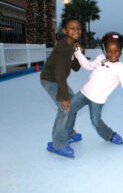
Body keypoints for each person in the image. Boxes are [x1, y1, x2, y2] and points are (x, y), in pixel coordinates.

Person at [69, 32, 123, 156]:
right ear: (104, 50)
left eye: (116, 50)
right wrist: (77, 52)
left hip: (97, 100)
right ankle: (68, 134)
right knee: (68, 110)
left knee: (96, 121)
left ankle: (110, 135)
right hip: (83, 93)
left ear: (121, 51)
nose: (113, 54)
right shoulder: (100, 58)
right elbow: (87, 66)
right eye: (109, 50)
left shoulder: (121, 68)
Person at [40, 18, 82, 158]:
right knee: (64, 108)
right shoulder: (62, 47)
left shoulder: (72, 46)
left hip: (60, 80)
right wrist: (64, 97)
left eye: (78, 28)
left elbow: (76, 68)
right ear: (64, 31)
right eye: (72, 28)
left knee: (73, 104)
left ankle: (68, 132)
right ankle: (58, 144)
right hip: (50, 80)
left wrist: (78, 53)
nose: (76, 30)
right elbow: (58, 73)